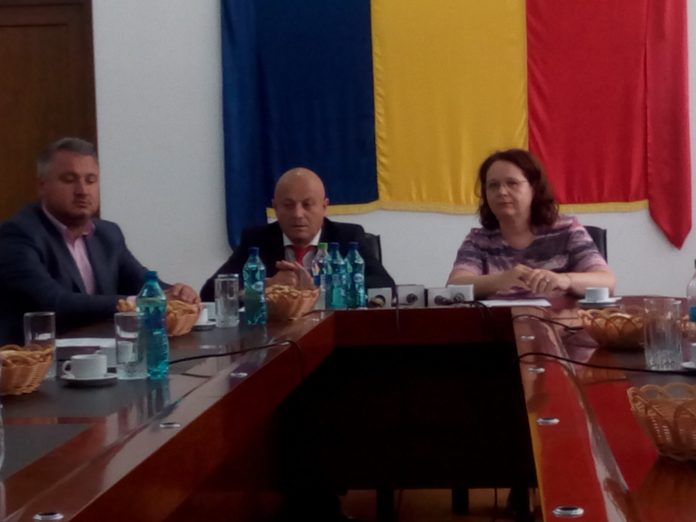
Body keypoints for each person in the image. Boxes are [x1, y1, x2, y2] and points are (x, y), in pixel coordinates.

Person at [0, 137, 199, 344]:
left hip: (103, 352)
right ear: (42, 186)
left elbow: (141, 282)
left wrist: (176, 293)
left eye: (90, 180)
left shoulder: (108, 234)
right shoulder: (18, 234)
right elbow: (55, 302)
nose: (82, 190)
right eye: (69, 179)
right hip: (37, 357)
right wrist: (138, 303)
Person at [201, 167, 395, 300]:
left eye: (307, 205)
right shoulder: (257, 239)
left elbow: (385, 285)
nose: (298, 214)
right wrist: (263, 288)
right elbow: (210, 292)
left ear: (324, 207)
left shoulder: (347, 237)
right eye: (288, 205)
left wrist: (319, 289)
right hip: (275, 337)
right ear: (276, 208)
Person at [448, 148, 615, 299]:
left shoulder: (567, 230)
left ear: (534, 189)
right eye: (493, 185)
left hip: (558, 322)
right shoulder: (479, 239)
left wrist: (564, 280)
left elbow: (607, 282)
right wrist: (501, 280)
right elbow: (454, 287)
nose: (502, 192)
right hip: (497, 322)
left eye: (512, 183)